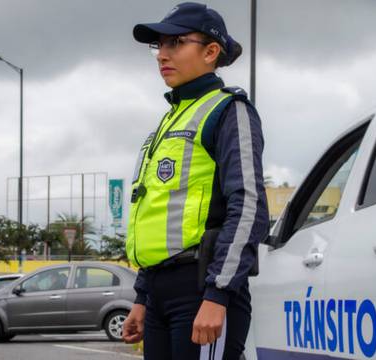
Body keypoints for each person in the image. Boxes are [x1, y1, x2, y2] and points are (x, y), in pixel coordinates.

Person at [122, 2, 269, 359]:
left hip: (201, 288)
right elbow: (161, 214)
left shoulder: (228, 110)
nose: (162, 55)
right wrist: (142, 297)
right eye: (159, 46)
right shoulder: (170, 120)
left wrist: (218, 294)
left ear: (210, 51)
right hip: (159, 294)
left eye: (176, 43)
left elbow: (249, 206)